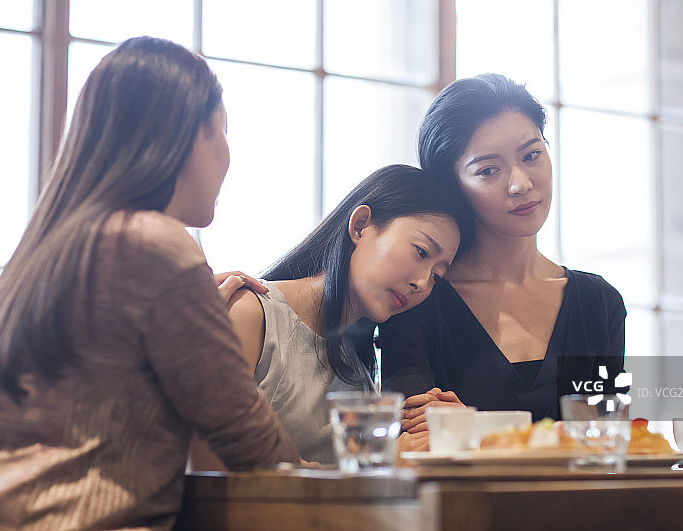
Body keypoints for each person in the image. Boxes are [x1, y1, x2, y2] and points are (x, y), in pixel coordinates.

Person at [0, 36, 299, 530]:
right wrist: (317, 475)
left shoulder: (49, 246)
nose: (229, 158)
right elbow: (246, 436)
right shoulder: (155, 243)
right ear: (193, 133)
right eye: (224, 131)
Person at [377, 74, 627, 432]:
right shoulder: (419, 297)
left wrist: (476, 428)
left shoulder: (598, 303)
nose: (520, 184)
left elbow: (606, 438)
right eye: (488, 170)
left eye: (532, 155)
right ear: (453, 186)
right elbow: (418, 434)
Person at [190, 164, 473, 467]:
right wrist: (380, 463)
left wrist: (455, 431)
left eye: (437, 276)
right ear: (361, 225)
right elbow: (211, 476)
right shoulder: (248, 313)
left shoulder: (357, 367)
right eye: (421, 251)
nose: (422, 283)